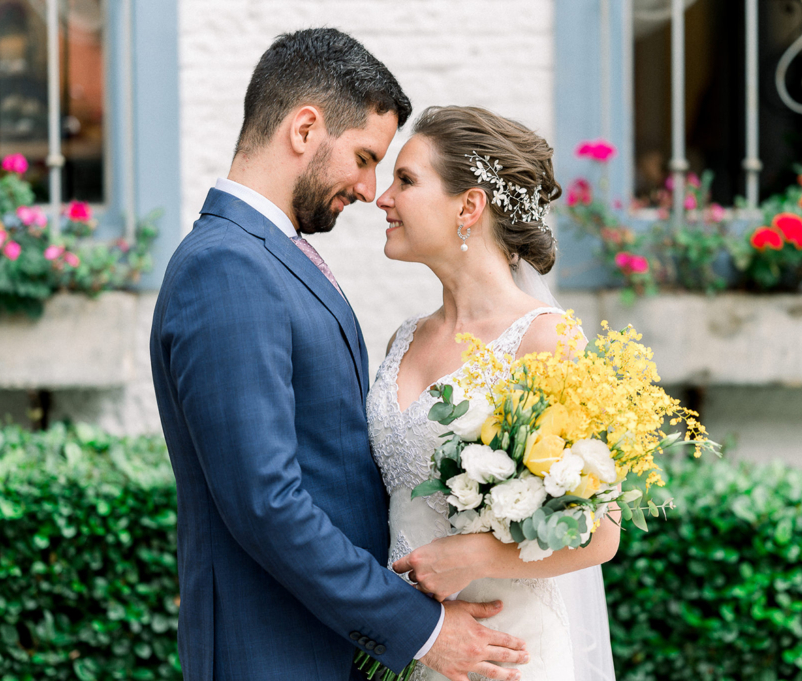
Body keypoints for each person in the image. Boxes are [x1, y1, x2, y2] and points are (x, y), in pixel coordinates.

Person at [149, 30, 529, 681]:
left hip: (322, 648)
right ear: (304, 129)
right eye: (363, 156)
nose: (368, 187)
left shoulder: (270, 256)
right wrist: (421, 628)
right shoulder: (227, 268)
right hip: (272, 654)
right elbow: (267, 501)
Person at [369, 105, 619, 681]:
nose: (383, 198)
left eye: (405, 181)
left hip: (508, 651)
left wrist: (474, 556)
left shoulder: (546, 340)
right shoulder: (402, 339)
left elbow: (601, 532)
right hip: (414, 647)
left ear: (469, 205)